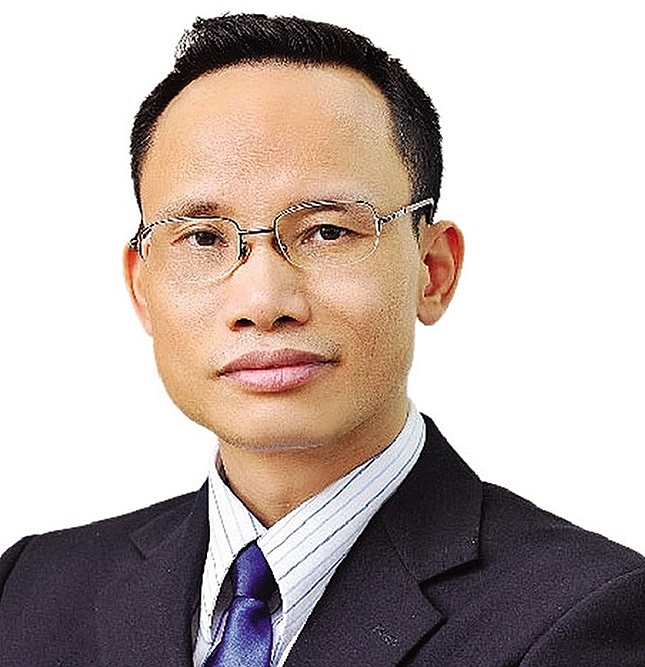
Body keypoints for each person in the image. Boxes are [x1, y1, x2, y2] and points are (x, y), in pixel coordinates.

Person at [1, 13, 643, 666]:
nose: (262, 303)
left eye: (327, 231)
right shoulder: (28, 589)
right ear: (142, 288)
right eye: (203, 238)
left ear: (432, 270)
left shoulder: (584, 615)